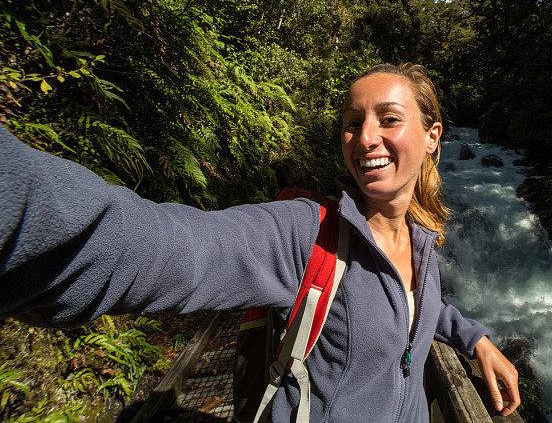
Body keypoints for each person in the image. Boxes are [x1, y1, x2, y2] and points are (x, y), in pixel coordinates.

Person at [0, 62, 520, 421]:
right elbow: (165, 247)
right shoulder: (304, 233)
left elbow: (419, 305)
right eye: (351, 122)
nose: (364, 138)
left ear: (433, 136)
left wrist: (476, 338)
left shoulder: (421, 239)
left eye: (388, 119)